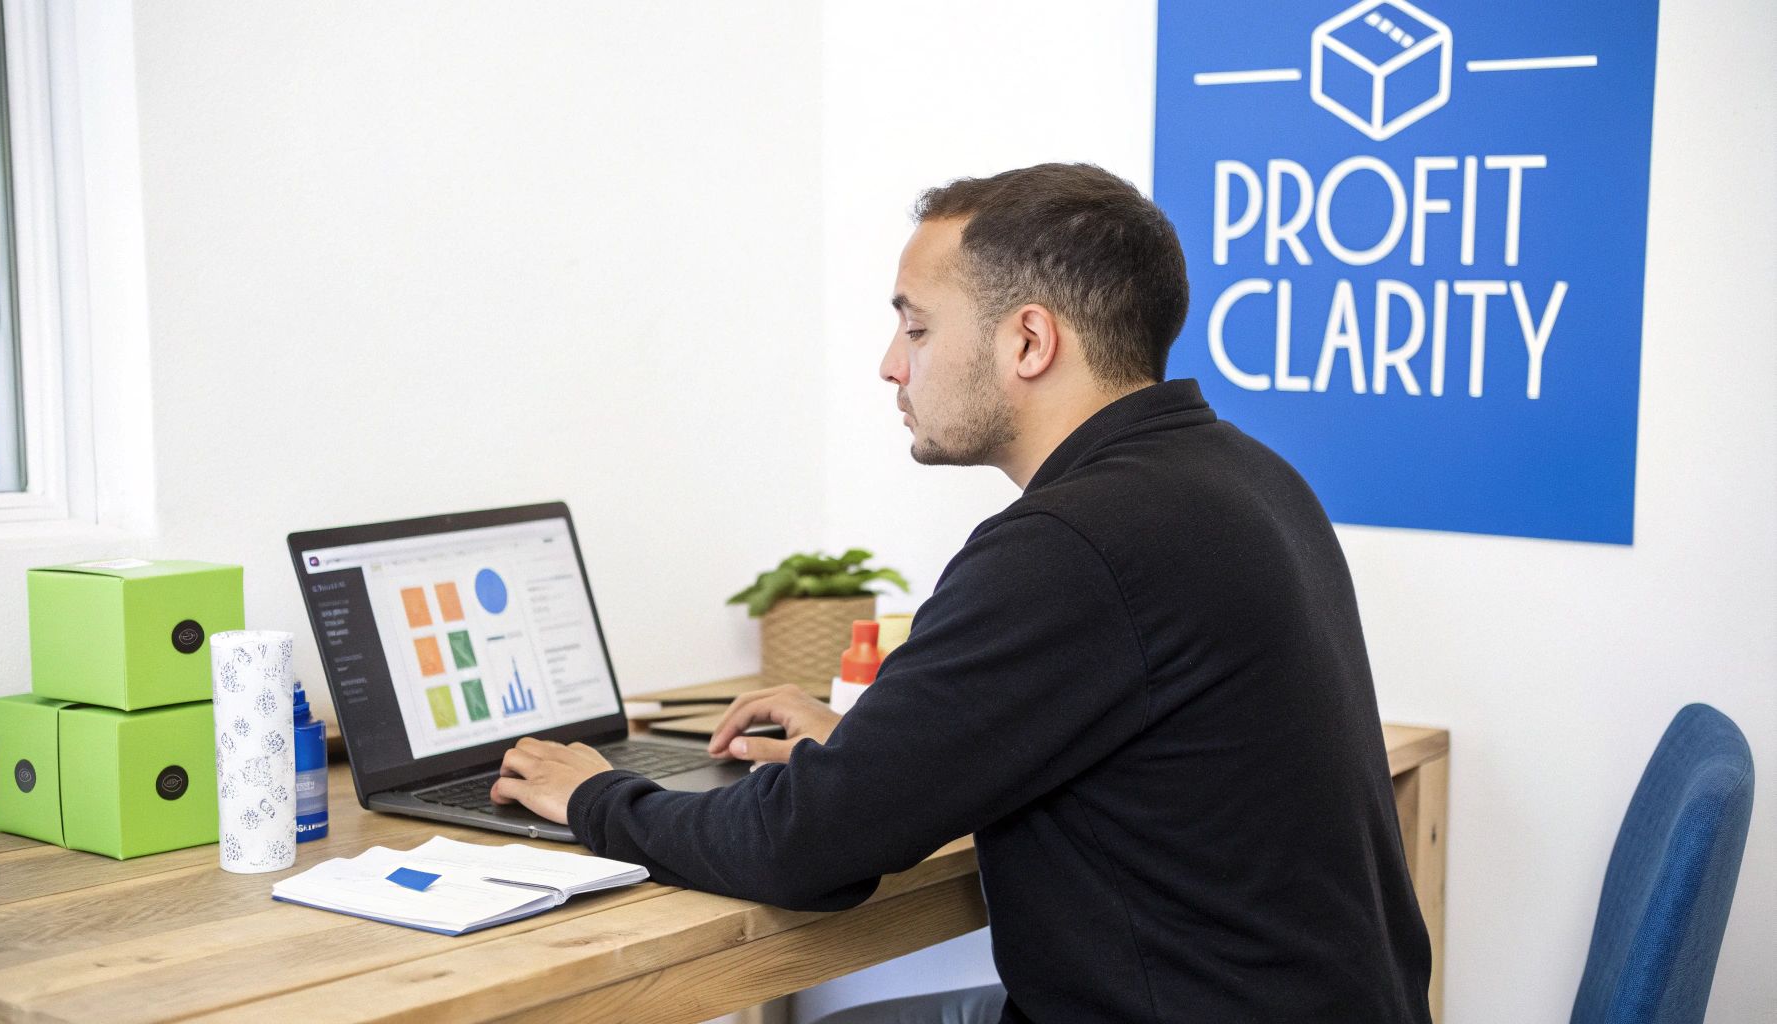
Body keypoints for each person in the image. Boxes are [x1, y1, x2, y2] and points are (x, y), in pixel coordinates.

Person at [490, 162, 1433, 1023]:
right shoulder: (1244, 475)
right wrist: (872, 751)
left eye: (917, 325)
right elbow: (1098, 733)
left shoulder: (1073, 543)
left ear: (1029, 340)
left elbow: (804, 852)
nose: (892, 364)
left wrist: (597, 796)